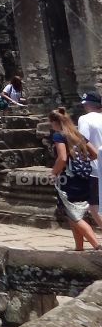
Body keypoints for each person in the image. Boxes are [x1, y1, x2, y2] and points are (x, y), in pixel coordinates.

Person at [48, 107, 101, 251]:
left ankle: (96, 245)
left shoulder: (59, 136)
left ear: (55, 122)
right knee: (73, 215)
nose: (50, 125)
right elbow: (95, 154)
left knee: (75, 216)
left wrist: (53, 173)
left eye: (51, 123)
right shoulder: (77, 135)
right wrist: (81, 162)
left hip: (69, 181)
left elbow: (62, 158)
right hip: (84, 178)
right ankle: (79, 248)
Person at [78, 90, 102, 229]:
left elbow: (83, 141)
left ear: (87, 105)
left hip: (95, 167)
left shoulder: (84, 119)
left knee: (93, 206)